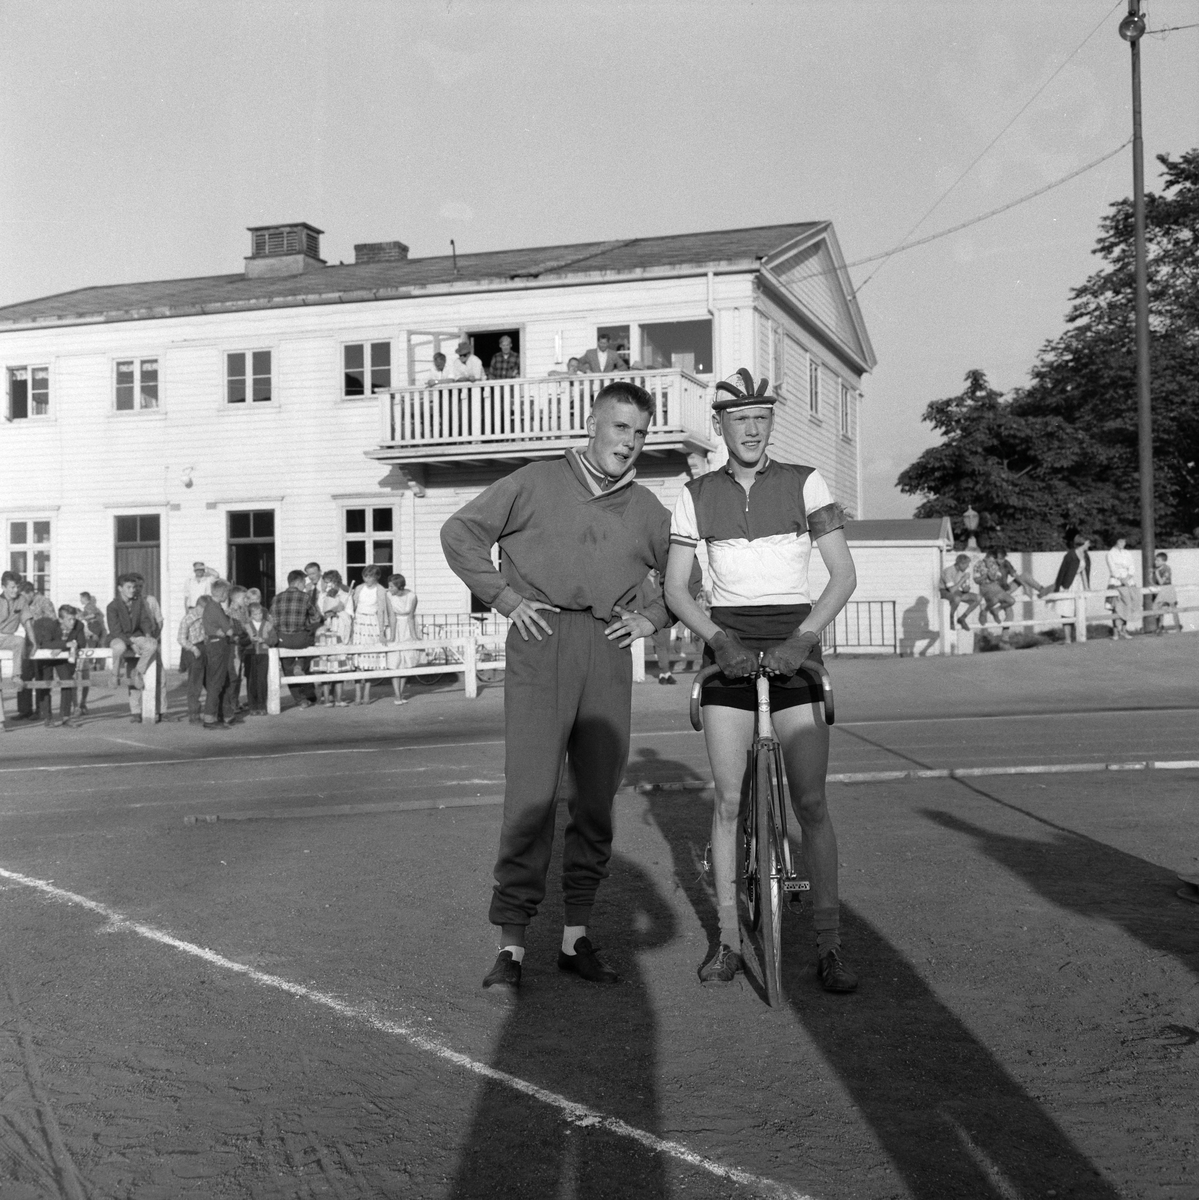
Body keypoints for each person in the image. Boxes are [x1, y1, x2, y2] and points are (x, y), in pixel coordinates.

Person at [441, 379, 683, 992]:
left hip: (606, 649)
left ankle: (576, 938)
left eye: (640, 433)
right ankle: (513, 947)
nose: (629, 443)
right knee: (531, 795)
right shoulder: (533, 482)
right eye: (620, 427)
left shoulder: (650, 508)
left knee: (596, 798)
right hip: (540, 640)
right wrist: (503, 596)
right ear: (592, 423)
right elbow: (460, 534)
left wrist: (651, 617)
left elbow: (686, 577)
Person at [664, 367, 859, 994]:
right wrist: (719, 642)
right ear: (720, 426)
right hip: (728, 649)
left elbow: (842, 576)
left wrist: (804, 639)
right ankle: (726, 941)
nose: (750, 429)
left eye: (761, 418)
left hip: (795, 646)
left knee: (811, 804)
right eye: (738, 419)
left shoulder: (806, 483)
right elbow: (675, 587)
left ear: (771, 423)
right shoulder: (693, 492)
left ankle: (829, 946)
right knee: (727, 801)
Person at [107, 573, 159, 723]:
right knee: (120, 647)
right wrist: (132, 643)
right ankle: (115, 674)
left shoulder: (138, 602)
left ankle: (139, 671)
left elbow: (144, 621)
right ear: (120, 588)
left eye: (134, 587)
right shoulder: (112, 606)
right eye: (128, 587)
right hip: (120, 637)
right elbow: (115, 630)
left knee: (152, 644)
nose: (132, 590)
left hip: (136, 636)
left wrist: (148, 635)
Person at [28, 603, 87, 728]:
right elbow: (45, 643)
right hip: (48, 657)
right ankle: (48, 717)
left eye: (74, 618)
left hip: (62, 657)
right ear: (60, 620)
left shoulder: (79, 625)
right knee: (46, 683)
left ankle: (65, 717)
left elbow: (81, 642)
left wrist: (61, 647)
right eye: (69, 619)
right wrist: (65, 645)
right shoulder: (51, 625)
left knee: (67, 682)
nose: (72, 622)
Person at [270, 570, 322, 708]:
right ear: (298, 582)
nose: (305, 586)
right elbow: (316, 617)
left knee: (288, 670)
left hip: (283, 639)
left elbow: (272, 621)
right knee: (308, 655)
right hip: (300, 639)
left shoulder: (276, 598)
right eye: (304, 583)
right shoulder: (305, 597)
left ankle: (300, 700)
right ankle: (309, 691)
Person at [349, 564, 397, 705]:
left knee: (369, 661)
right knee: (357, 661)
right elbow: (352, 607)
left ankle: (366, 694)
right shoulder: (358, 588)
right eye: (365, 576)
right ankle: (357, 694)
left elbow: (384, 612)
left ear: (376, 577)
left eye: (370, 576)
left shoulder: (381, 591)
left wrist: (382, 632)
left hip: (373, 625)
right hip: (359, 624)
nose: (367, 579)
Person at [197, 579, 241, 729]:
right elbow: (228, 630)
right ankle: (209, 718)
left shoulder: (209, 606)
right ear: (222, 593)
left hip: (215, 645)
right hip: (218, 647)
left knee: (222, 680)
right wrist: (233, 631)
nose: (227, 596)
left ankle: (225, 714)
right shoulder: (216, 608)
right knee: (216, 682)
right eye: (227, 593)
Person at [313, 569, 354, 706]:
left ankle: (339, 698)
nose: (327, 586)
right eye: (325, 583)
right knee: (326, 666)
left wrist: (340, 610)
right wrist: (328, 614)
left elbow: (349, 617)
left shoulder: (346, 595)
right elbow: (320, 614)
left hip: (340, 631)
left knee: (339, 665)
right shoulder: (323, 596)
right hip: (327, 633)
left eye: (329, 583)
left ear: (336, 582)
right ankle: (326, 698)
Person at [0, 572, 33, 720]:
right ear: (4, 587)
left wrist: (34, 642)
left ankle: (16, 676)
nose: (15, 590)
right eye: (12, 587)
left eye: (17, 587)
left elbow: (27, 622)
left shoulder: (22, 600)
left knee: (20, 641)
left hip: (8, 637)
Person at [386, 573, 420, 704]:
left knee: (406, 661)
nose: (389, 589)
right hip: (396, 627)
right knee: (395, 661)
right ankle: (397, 695)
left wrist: (414, 636)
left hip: (408, 627)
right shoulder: (389, 595)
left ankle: (401, 693)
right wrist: (393, 636)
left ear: (399, 586)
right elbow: (392, 617)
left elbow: (411, 617)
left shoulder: (412, 596)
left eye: (391, 587)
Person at [1052, 535, 1091, 642]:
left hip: (1079, 585)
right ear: (1082, 543)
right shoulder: (1070, 555)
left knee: (1078, 610)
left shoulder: (1085, 555)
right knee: (1066, 610)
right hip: (1068, 585)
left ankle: (1077, 636)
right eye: (1087, 543)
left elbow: (1084, 572)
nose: (1089, 545)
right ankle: (1067, 638)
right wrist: (1059, 587)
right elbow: (1062, 571)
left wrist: (1087, 586)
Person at [243, 601, 277, 715]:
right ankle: (253, 706)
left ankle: (262, 705)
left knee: (262, 680)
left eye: (260, 613)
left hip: (263, 654)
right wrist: (249, 640)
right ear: (251, 615)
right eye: (256, 614)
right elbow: (242, 641)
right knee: (251, 680)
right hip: (250, 654)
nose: (259, 616)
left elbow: (274, 639)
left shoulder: (267, 625)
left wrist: (264, 640)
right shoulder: (246, 626)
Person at [177, 597, 207, 724]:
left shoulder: (206, 617)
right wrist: (193, 649)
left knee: (209, 680)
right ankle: (194, 714)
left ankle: (213, 710)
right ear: (199, 607)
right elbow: (181, 639)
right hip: (193, 649)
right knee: (195, 683)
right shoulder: (188, 619)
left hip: (205, 647)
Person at [77, 591, 106, 714]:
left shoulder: (89, 607)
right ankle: (94, 664)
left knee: (92, 646)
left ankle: (94, 664)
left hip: (93, 626)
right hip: (93, 627)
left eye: (81, 599)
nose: (81, 601)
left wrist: (84, 617)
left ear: (85, 598)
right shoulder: (85, 609)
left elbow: (94, 615)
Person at [1105, 536, 1138, 640]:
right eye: (1120, 541)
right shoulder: (1110, 554)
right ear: (1115, 541)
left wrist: (1128, 577)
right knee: (1115, 606)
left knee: (1127, 604)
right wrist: (1121, 579)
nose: (1122, 543)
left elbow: (1132, 566)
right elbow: (1112, 568)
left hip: (1128, 581)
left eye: (1124, 541)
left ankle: (1124, 630)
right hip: (1116, 581)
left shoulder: (1127, 553)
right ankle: (1115, 632)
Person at [973, 549, 1016, 629]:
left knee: (1011, 601)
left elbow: (997, 577)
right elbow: (976, 580)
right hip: (984, 587)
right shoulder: (978, 565)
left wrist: (992, 577)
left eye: (993, 562)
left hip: (995, 586)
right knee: (995, 600)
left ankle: (996, 610)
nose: (992, 564)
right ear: (985, 558)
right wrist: (986, 576)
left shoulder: (994, 565)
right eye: (990, 562)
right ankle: (984, 612)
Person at [939, 554, 981, 630]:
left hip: (956, 591)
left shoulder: (961, 572)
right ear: (961, 564)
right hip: (945, 591)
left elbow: (962, 588)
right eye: (967, 565)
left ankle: (962, 618)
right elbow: (951, 590)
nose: (967, 567)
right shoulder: (948, 571)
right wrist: (963, 579)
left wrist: (966, 588)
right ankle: (950, 617)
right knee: (957, 599)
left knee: (978, 598)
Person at [1151, 551, 1182, 633]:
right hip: (1161, 590)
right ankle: (1160, 627)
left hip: (1168, 589)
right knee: (1160, 608)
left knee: (1173, 608)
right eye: (1155, 560)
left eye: (1158, 560)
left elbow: (1162, 582)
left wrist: (1156, 572)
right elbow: (1152, 581)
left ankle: (1178, 628)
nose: (1156, 562)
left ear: (1164, 561)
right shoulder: (1156, 569)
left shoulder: (1166, 569)